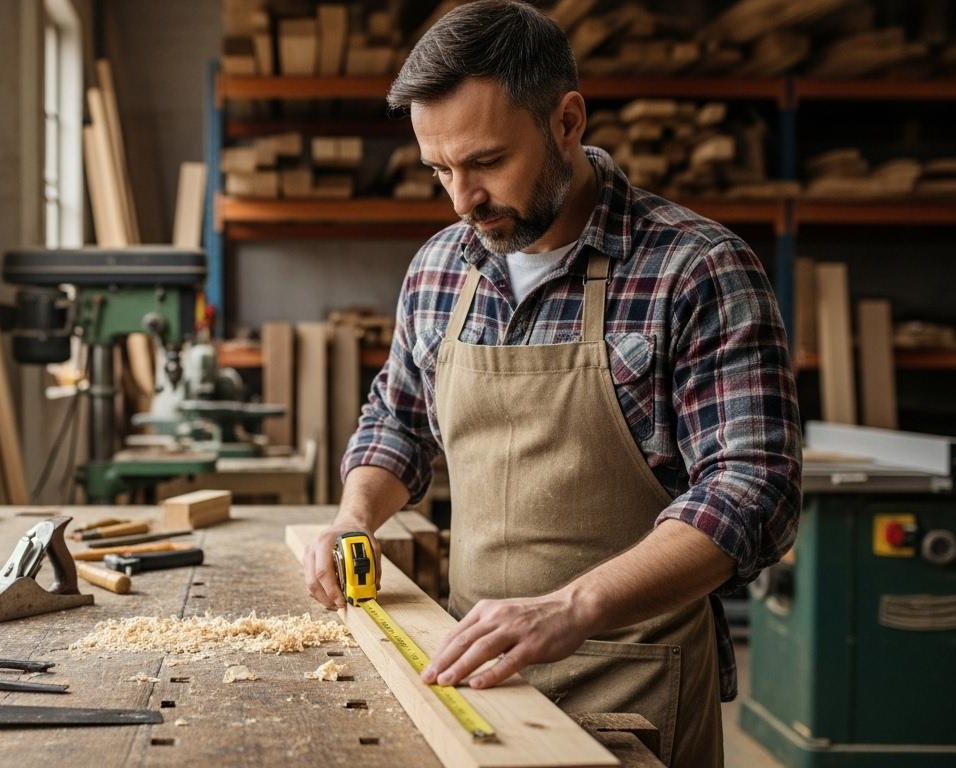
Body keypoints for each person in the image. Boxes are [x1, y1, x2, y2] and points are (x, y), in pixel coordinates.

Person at [300, 2, 802, 765]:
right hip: (475, 673)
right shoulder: (440, 267)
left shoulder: (695, 268)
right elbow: (396, 423)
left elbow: (753, 490)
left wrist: (575, 607)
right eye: (440, 170)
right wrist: (354, 516)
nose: (462, 201)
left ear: (567, 121)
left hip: (636, 688)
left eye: (486, 162)